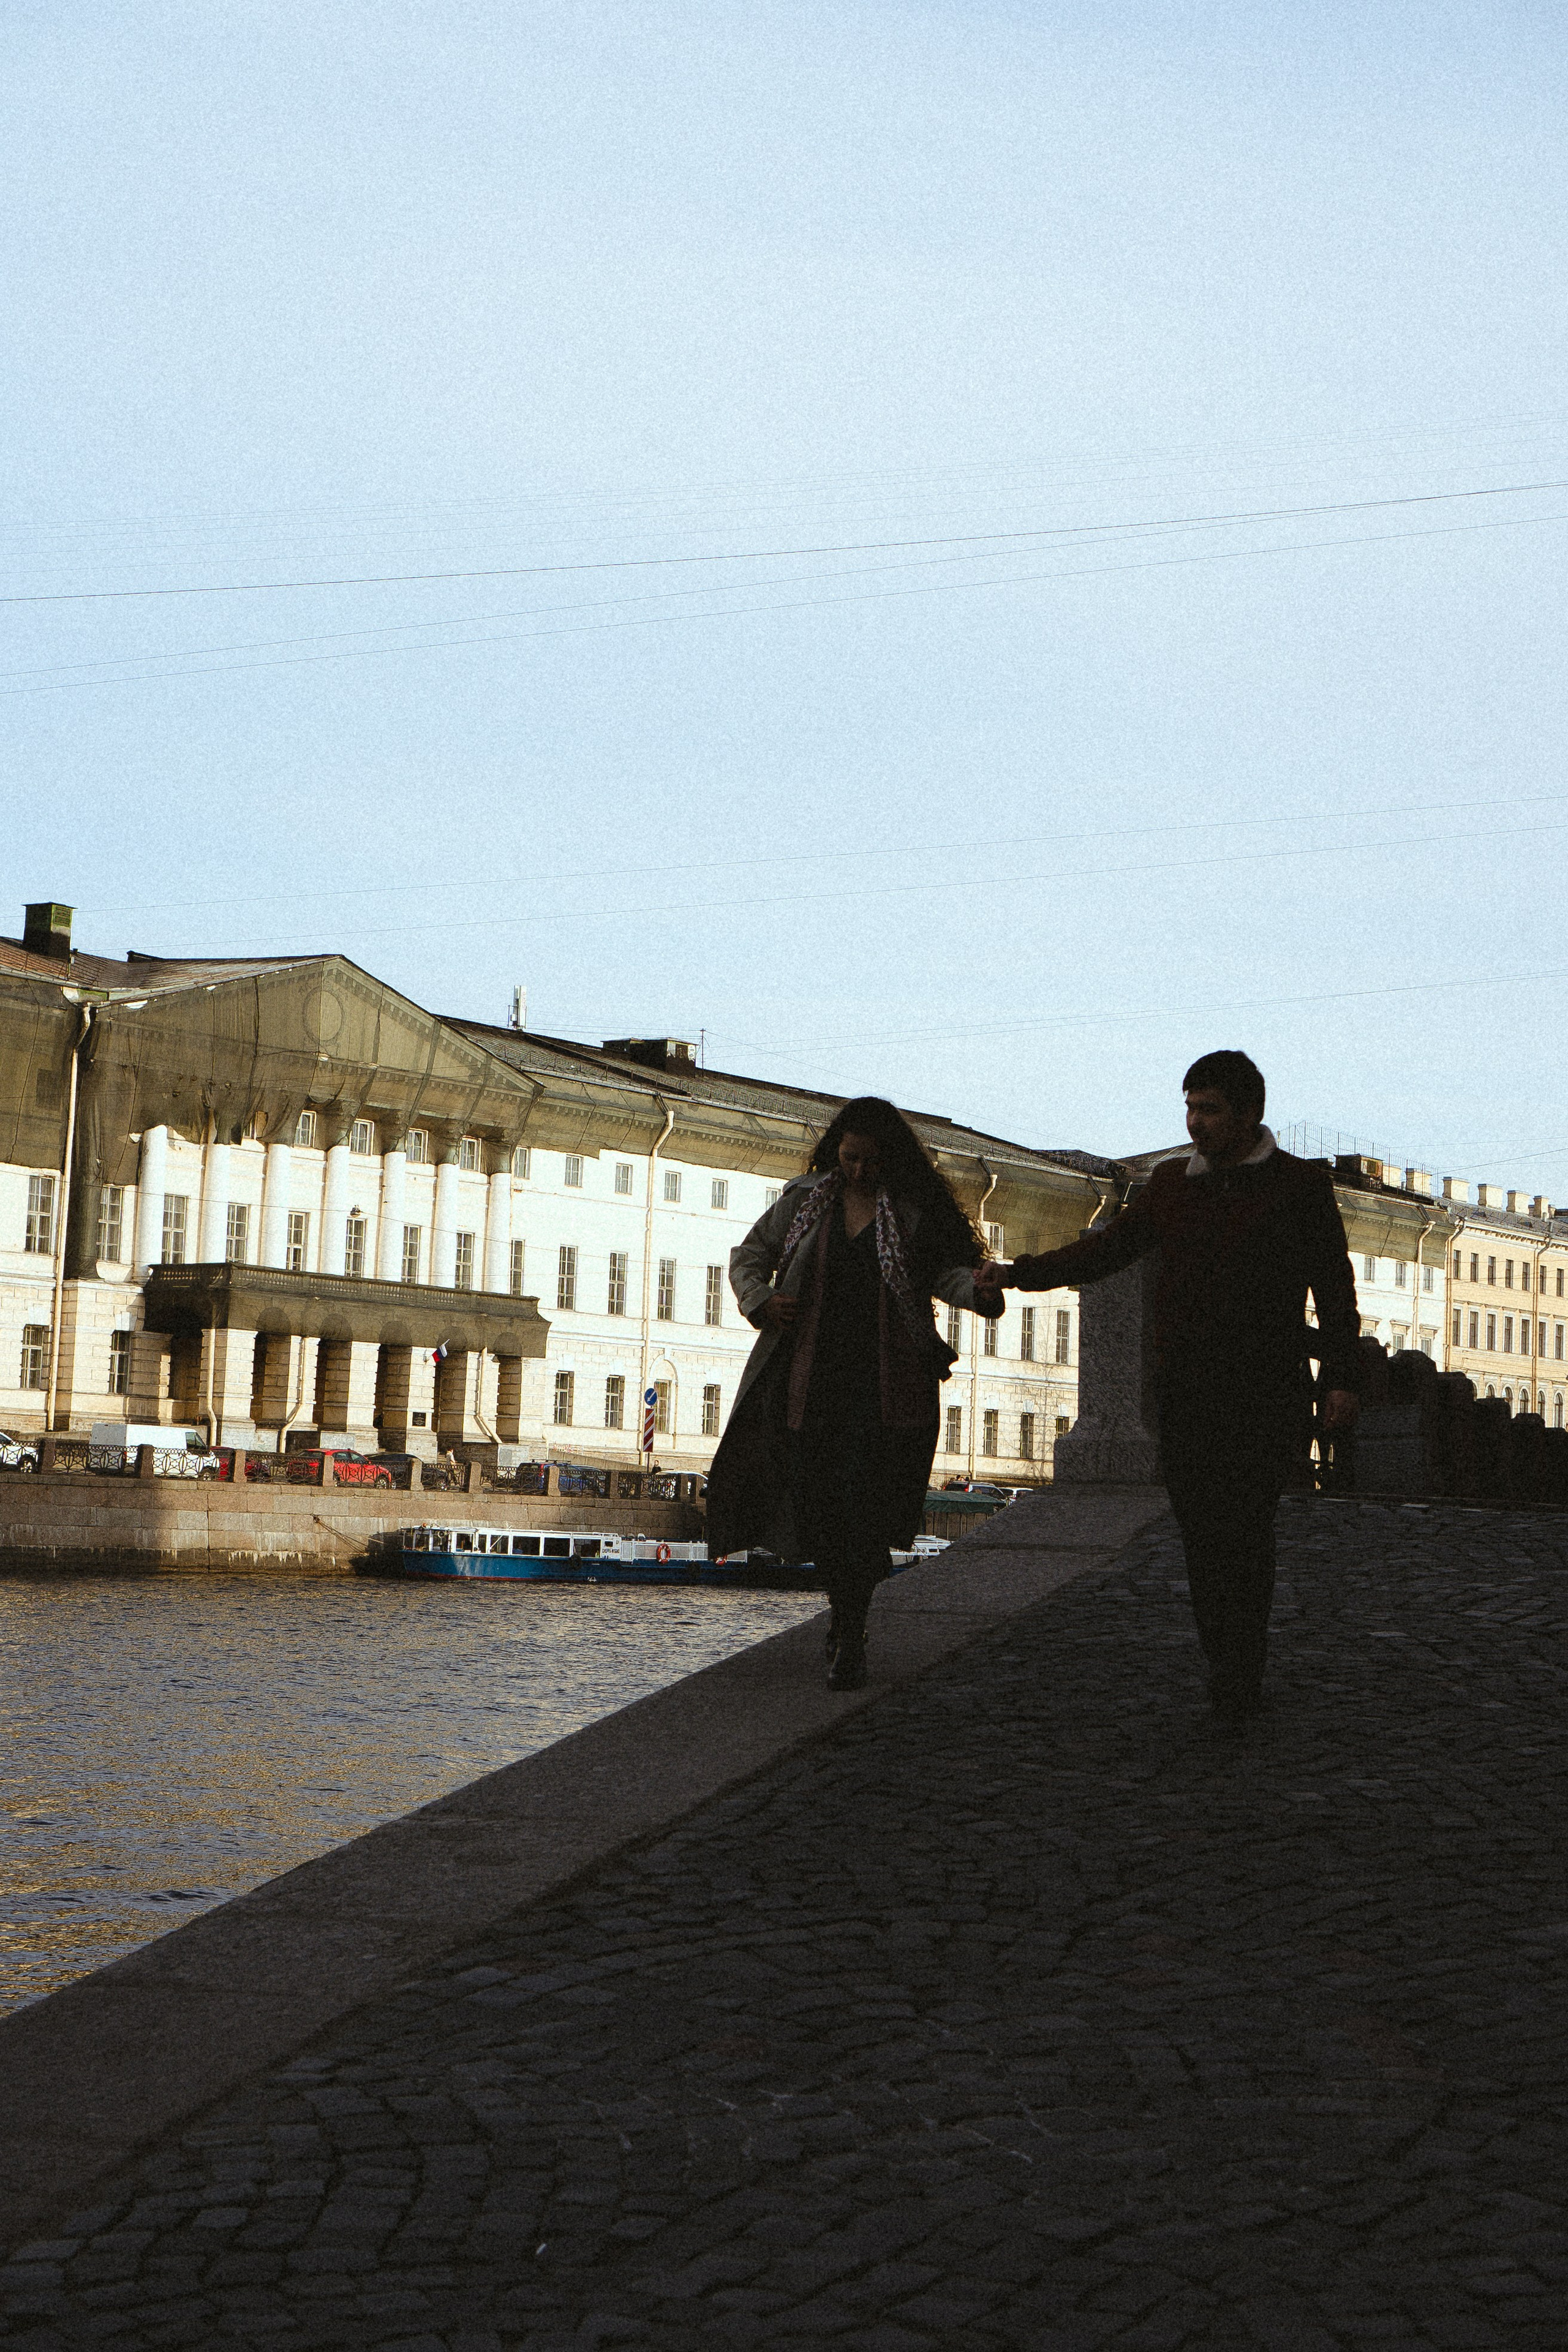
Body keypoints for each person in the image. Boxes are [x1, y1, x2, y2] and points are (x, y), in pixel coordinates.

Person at [976, 1050, 1359, 1722]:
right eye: (1189, 1107)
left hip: (1264, 1391)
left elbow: (1333, 1286)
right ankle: (1224, 1658)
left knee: (1246, 1531)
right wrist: (1017, 1274)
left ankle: (1238, 1671)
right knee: (1202, 1535)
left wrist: (1340, 1378)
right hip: (1186, 1391)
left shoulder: (1298, 1186)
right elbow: (1106, 1252)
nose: (1195, 1122)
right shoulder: (1171, 1185)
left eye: (1208, 1109)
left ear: (1248, 1114)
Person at [707, 1096, 1000, 1689]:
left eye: (871, 1161)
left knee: (866, 1514)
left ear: (892, 1159)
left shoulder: (915, 1211)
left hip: (888, 1386)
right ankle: (846, 1621)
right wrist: (759, 1300)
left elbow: (943, 1273)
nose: (860, 1172)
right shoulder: (806, 1200)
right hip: (808, 1381)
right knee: (822, 1509)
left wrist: (976, 1291)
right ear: (836, 1152)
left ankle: (850, 1628)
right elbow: (749, 1256)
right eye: (850, 1159)